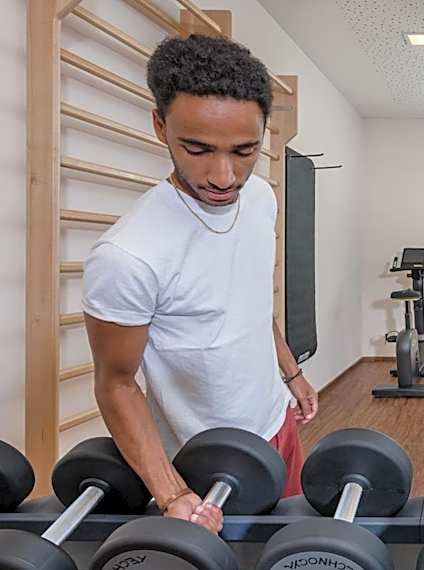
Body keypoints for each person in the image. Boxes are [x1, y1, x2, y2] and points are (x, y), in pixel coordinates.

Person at [81, 35, 318, 535]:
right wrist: (171, 493)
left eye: (245, 150)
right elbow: (116, 385)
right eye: (198, 148)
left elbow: (250, 295)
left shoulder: (260, 198)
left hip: (277, 422)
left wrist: (290, 373)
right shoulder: (128, 256)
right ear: (159, 125)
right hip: (205, 458)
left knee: (295, 561)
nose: (224, 175)